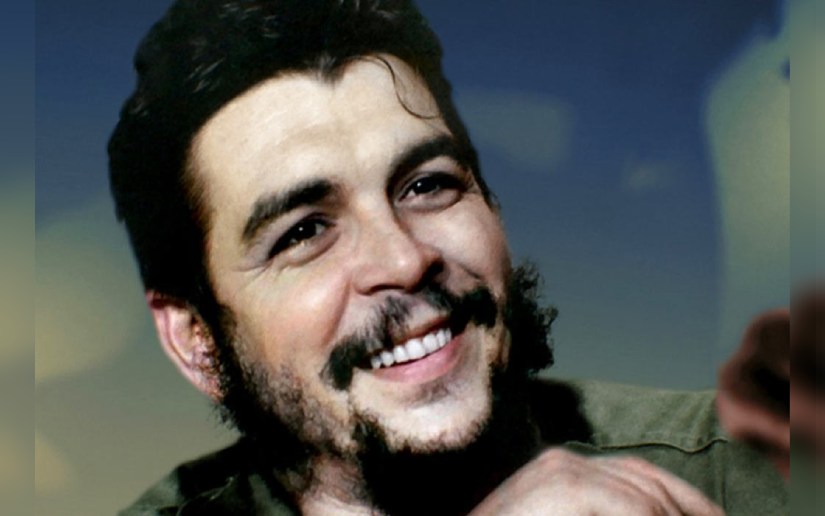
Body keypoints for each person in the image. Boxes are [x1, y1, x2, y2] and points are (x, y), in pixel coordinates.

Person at [108, 0, 788, 513]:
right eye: (305, 231)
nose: (404, 261)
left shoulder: (750, 468)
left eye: (426, 185)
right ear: (197, 341)